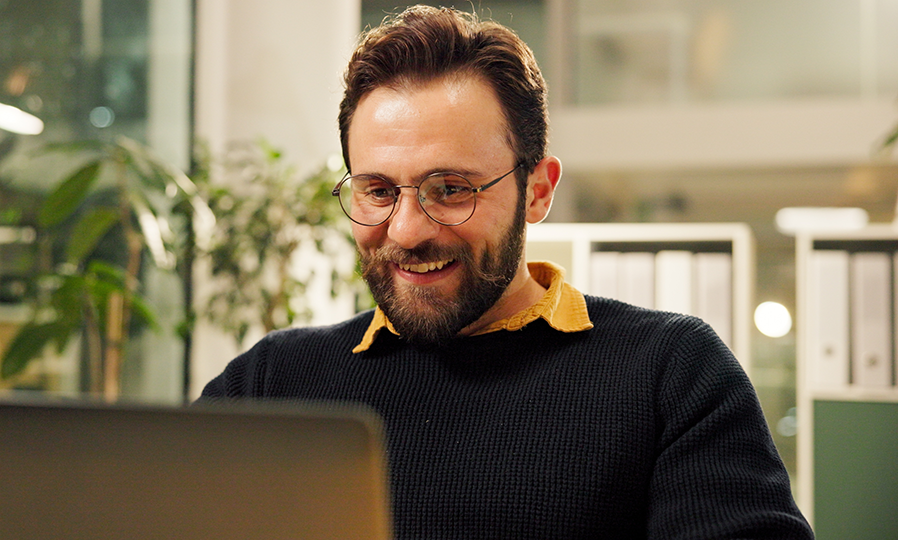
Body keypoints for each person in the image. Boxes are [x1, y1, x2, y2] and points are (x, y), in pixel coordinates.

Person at [198, 5, 814, 539]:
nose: (408, 230)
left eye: (451, 188)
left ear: (538, 191)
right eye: (378, 190)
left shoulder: (670, 373)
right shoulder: (270, 383)